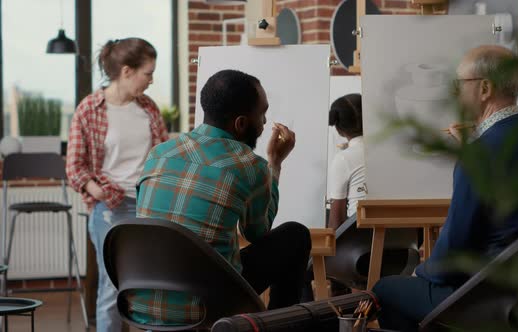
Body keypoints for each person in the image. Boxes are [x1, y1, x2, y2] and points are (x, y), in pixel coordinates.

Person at [372, 45, 518, 331]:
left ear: (484, 88)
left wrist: (422, 272)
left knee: (385, 290)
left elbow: (454, 252)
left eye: (460, 83)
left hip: (491, 297)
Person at [125, 69, 311, 326]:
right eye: (262, 113)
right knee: (295, 235)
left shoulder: (159, 153)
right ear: (241, 124)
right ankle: (278, 325)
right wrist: (275, 164)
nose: (266, 121)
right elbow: (258, 233)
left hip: (143, 301)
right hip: (207, 305)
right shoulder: (249, 165)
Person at [66, 38, 168, 332]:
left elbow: (162, 155)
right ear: (127, 71)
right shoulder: (90, 109)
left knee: (152, 285)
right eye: (147, 73)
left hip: (149, 205)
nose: (151, 80)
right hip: (111, 207)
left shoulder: (148, 108)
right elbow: (74, 165)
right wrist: (95, 190)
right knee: (113, 289)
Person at [327, 93, 367, 229]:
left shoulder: (344, 159)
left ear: (338, 128)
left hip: (362, 244)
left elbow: (336, 223)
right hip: (405, 244)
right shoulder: (392, 151)